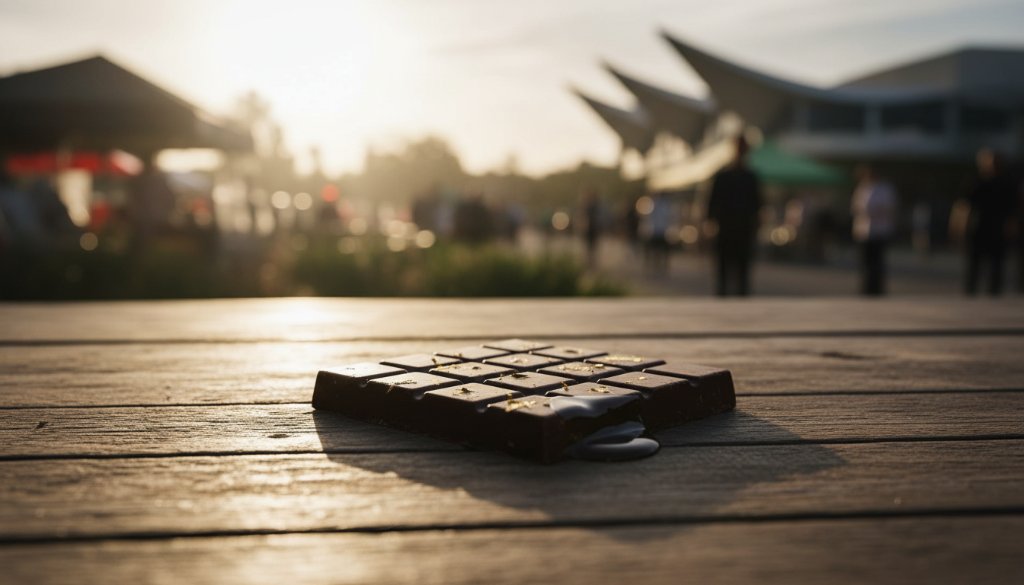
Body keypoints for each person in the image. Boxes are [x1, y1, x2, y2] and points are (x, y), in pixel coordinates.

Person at [707, 134, 762, 296]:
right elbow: (712, 203)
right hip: (726, 230)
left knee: (742, 274)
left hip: (744, 230)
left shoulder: (750, 177)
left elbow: (757, 205)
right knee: (723, 272)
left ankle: (740, 305)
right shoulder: (724, 177)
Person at [964, 149, 1016, 296]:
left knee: (997, 264)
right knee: (975, 264)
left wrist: (1011, 225)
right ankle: (970, 292)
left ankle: (994, 292)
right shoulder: (978, 182)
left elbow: (1012, 208)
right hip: (979, 226)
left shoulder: (1007, 183)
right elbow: (966, 205)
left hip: (998, 228)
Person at [850, 165, 897, 296]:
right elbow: (856, 206)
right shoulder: (862, 188)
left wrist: (874, 210)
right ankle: (866, 288)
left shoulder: (885, 189)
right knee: (865, 261)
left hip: (880, 230)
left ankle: (877, 289)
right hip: (864, 231)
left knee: (878, 261)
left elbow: (889, 207)